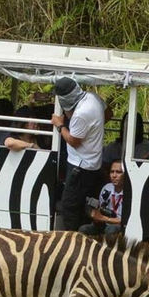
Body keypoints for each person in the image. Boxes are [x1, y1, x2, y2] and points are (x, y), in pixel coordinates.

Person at [50, 77, 106, 231]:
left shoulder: (81, 114)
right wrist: (93, 130)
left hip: (80, 166)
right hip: (92, 163)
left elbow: (74, 141)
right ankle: (84, 234)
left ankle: (73, 239)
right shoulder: (92, 97)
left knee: (69, 206)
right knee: (83, 204)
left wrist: (60, 125)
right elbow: (108, 113)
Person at [79, 159, 124, 236]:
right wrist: (95, 215)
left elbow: (125, 221)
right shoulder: (107, 187)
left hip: (119, 225)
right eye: (112, 172)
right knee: (83, 229)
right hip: (104, 222)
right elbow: (100, 208)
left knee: (111, 229)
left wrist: (105, 219)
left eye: (118, 172)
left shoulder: (130, 193)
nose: (114, 175)